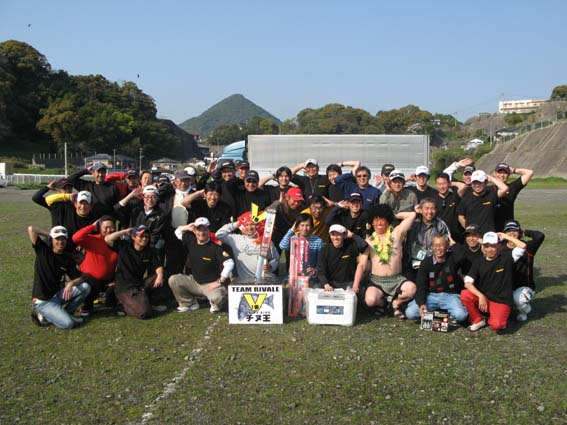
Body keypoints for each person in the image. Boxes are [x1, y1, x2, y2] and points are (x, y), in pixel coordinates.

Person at [354, 205, 417, 318]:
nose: (379, 223)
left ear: (387, 220)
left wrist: (393, 215)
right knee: (370, 300)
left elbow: (412, 215)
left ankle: (395, 303)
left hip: (397, 279)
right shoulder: (368, 241)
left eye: (382, 219)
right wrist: (355, 285)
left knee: (411, 289)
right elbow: (362, 265)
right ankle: (383, 304)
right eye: (376, 220)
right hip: (377, 281)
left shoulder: (397, 234)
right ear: (372, 223)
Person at [461, 231, 526, 332]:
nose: (490, 249)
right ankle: (478, 320)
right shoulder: (478, 261)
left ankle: (497, 316)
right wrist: (480, 296)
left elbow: (523, 246)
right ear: (483, 247)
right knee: (465, 294)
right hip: (485, 299)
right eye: (486, 246)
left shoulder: (507, 258)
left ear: (499, 246)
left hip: (501, 301)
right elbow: (467, 282)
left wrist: (506, 236)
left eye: (493, 246)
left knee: (496, 325)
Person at [28, 225, 90, 329]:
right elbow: (31, 229)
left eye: (63, 239)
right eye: (57, 239)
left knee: (85, 287)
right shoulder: (43, 251)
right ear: (51, 240)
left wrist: (71, 283)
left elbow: (82, 278)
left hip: (57, 296)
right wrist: (51, 234)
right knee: (68, 324)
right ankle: (43, 315)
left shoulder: (67, 258)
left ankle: (66, 313)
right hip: (43, 301)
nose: (60, 242)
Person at [169, 217, 235, 313]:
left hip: (211, 285)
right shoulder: (191, 240)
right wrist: (187, 227)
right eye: (199, 230)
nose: (202, 233)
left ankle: (215, 304)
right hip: (194, 281)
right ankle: (189, 303)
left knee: (219, 297)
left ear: (209, 231)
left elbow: (229, 262)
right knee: (173, 280)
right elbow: (177, 232)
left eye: (205, 229)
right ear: (195, 231)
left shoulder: (215, 248)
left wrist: (220, 281)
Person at [105, 225, 166, 319]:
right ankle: (123, 304)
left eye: (146, 236)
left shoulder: (149, 250)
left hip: (139, 284)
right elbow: (107, 239)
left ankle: (149, 301)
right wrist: (125, 231)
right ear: (133, 237)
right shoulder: (124, 246)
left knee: (158, 277)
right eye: (141, 236)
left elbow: (158, 266)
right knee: (144, 313)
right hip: (125, 287)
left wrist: (160, 275)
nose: (144, 239)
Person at [405, 235, 468, 323]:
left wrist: (453, 244)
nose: (438, 248)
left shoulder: (453, 258)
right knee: (410, 313)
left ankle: (442, 314)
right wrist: (421, 303)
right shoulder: (426, 262)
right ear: (432, 247)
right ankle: (441, 315)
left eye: (441, 245)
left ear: (447, 246)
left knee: (461, 315)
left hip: (450, 295)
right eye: (435, 245)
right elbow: (421, 285)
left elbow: (464, 254)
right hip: (431, 295)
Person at [72, 216, 119, 317]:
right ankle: (86, 306)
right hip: (89, 278)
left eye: (111, 227)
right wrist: (92, 226)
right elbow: (76, 237)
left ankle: (111, 301)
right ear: (100, 228)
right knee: (92, 282)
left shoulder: (117, 242)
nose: (109, 230)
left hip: (108, 280)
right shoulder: (93, 239)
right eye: (106, 227)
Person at [215, 211, 280, 282]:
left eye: (252, 224)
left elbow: (275, 258)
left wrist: (270, 266)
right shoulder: (236, 239)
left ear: (257, 225)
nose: (249, 227)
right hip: (245, 280)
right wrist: (238, 223)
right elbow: (219, 234)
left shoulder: (266, 240)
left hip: (265, 279)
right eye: (246, 225)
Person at [502, 220, 545, 322]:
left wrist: (524, 231)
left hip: (525, 286)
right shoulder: (500, 247)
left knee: (519, 299)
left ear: (519, 232)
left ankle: (525, 310)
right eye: (509, 231)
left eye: (514, 230)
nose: (512, 233)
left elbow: (540, 236)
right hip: (506, 285)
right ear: (504, 233)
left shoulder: (528, 247)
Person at [405, 197, 452, 280]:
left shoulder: (440, 225)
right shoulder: (414, 223)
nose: (430, 212)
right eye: (426, 208)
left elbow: (447, 244)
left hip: (434, 263)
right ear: (421, 210)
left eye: (432, 208)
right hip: (415, 263)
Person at [114, 185, 168, 250]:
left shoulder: (160, 214)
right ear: (143, 197)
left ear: (157, 198)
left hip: (146, 243)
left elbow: (155, 235)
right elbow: (117, 208)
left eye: (153, 197)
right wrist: (131, 195)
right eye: (147, 196)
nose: (150, 200)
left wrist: (145, 249)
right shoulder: (135, 208)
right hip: (132, 240)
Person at [317, 224, 368, 292]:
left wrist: (352, 235)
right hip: (331, 284)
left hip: (349, 284)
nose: (335, 238)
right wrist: (326, 284)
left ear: (344, 235)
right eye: (333, 235)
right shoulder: (324, 250)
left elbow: (364, 245)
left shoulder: (350, 246)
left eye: (338, 235)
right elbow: (321, 270)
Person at [456, 170, 508, 235]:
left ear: (486, 182)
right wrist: (468, 229)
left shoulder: (491, 194)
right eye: (474, 183)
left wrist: (491, 178)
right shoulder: (466, 197)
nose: (477, 185)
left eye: (480, 182)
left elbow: (505, 188)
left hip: (489, 235)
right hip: (472, 235)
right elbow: (460, 216)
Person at [279, 213, 324, 286]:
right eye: (302, 225)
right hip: (293, 276)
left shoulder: (318, 241)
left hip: (310, 278)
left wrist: (314, 271)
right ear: (298, 226)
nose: (305, 228)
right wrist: (292, 229)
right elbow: (282, 246)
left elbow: (321, 262)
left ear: (312, 226)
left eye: (307, 225)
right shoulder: (293, 238)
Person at [492, 162, 534, 231]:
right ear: (494, 174)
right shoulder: (488, 189)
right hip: (491, 228)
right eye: (499, 172)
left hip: (507, 229)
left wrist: (514, 170)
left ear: (509, 174)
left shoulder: (512, 188)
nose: (502, 175)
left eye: (505, 173)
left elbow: (529, 173)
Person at [433, 172, 463, 243]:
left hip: (456, 234)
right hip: (439, 235)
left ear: (449, 183)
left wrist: (452, 183)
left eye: (444, 183)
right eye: (439, 184)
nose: (442, 186)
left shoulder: (455, 197)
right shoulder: (433, 200)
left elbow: (463, 186)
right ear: (436, 185)